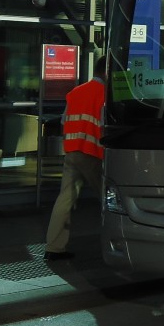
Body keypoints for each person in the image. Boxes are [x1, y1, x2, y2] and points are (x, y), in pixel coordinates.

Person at [45, 57, 106, 261]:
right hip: (93, 154)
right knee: (109, 201)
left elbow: (64, 121)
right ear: (106, 72)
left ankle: (54, 247)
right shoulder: (105, 94)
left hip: (72, 152)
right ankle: (115, 242)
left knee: (65, 199)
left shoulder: (75, 92)